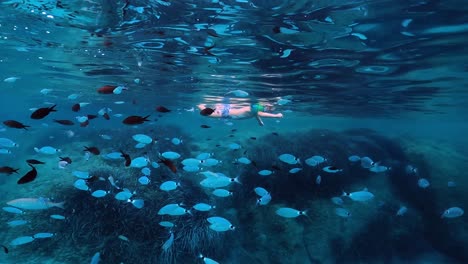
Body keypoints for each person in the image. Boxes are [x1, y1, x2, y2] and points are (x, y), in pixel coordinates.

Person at [197, 102, 283, 126]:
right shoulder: (254, 109)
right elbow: (261, 114)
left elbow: (257, 114)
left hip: (229, 114)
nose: (267, 110)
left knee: (209, 114)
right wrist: (276, 116)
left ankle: (206, 106)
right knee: (207, 114)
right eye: (268, 108)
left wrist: (259, 121)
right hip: (226, 114)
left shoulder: (254, 110)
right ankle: (200, 105)